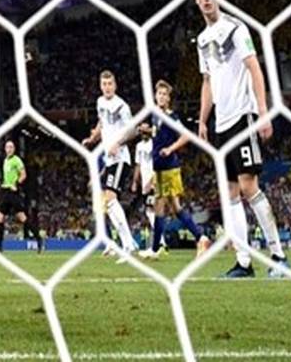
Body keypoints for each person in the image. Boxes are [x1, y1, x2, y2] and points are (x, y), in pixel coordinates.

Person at [194, 0, 290, 278]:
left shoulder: (236, 28)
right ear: (196, 0)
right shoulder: (202, 40)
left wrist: (263, 111)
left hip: (243, 117)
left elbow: (254, 67)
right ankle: (244, 262)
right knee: (230, 192)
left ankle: (279, 256)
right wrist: (202, 119)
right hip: (221, 123)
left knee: (249, 186)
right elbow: (207, 81)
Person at [137, 80, 209, 260]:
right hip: (159, 168)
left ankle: (156, 248)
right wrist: (146, 130)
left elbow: (186, 136)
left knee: (160, 207)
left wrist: (170, 149)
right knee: (174, 208)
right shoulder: (155, 116)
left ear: (169, 99)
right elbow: (158, 135)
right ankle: (200, 237)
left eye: (164, 94)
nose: (161, 97)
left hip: (169, 168)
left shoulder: (172, 117)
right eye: (159, 94)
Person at [82, 70, 138, 262]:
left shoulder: (122, 106)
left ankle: (128, 245)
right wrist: (93, 138)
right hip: (109, 159)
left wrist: (118, 143)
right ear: (100, 86)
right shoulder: (100, 102)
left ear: (115, 86)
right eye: (104, 84)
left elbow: (133, 130)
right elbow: (102, 122)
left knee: (111, 199)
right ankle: (125, 244)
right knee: (108, 202)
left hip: (120, 158)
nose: (107, 87)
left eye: (110, 84)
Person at [0, 139, 41, 253]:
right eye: (7, 147)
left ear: (14, 149)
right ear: (5, 149)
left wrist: (16, 184)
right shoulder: (5, 160)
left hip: (13, 192)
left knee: (22, 217)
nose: (9, 149)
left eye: (11, 147)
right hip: (5, 191)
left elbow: (23, 175)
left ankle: (38, 238)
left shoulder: (17, 160)